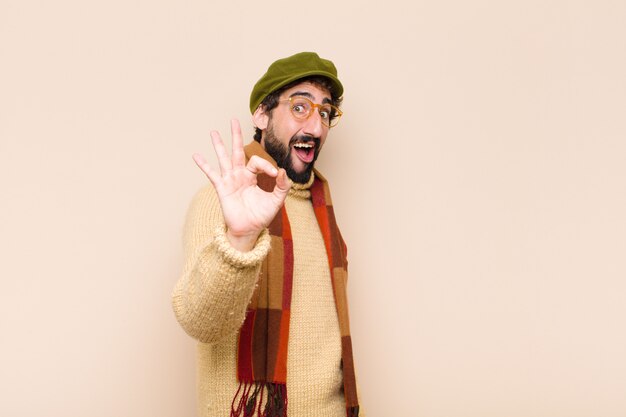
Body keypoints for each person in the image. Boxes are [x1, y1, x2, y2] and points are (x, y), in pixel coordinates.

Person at [172, 52, 360, 417]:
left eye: (325, 112)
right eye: (300, 107)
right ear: (261, 114)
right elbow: (200, 322)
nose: (317, 127)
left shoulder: (320, 206)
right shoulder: (219, 202)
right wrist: (239, 239)